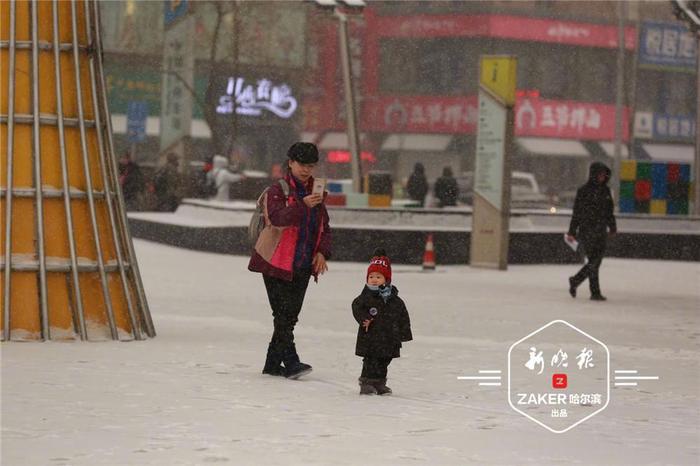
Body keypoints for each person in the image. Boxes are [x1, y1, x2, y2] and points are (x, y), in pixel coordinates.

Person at [248, 142, 332, 379]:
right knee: (283, 316)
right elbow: (277, 219)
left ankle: (273, 365)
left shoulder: (316, 193)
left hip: (303, 263)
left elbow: (325, 227)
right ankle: (292, 363)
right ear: (291, 163)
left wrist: (322, 252)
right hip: (275, 262)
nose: (306, 170)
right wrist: (302, 206)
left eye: (311, 165)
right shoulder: (278, 190)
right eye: (301, 164)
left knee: (288, 317)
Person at [352, 249, 412, 395]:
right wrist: (365, 319)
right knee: (370, 360)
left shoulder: (395, 300)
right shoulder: (365, 297)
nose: (374, 279)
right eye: (371, 276)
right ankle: (366, 382)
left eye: (378, 276)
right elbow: (356, 307)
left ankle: (379, 383)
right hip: (371, 337)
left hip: (389, 338)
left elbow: (402, 316)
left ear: (387, 279)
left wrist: (404, 333)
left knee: (384, 361)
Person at [566, 162, 617, 301]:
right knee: (594, 262)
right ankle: (592, 290)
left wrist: (612, 227)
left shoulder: (605, 191)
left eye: (604, 175)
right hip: (587, 231)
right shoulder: (583, 191)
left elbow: (609, 212)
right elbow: (576, 213)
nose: (602, 177)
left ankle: (579, 282)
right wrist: (571, 231)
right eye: (600, 174)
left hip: (600, 231)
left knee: (595, 262)